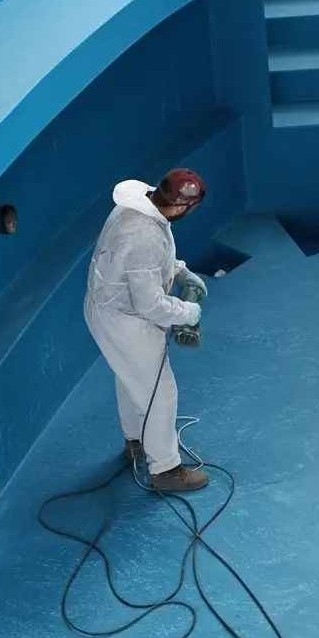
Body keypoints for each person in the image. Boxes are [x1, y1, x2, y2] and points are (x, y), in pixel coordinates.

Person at [84, 169, 210, 491]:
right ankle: (165, 470)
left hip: (105, 307)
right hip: (125, 320)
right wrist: (187, 312)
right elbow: (150, 304)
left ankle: (136, 442)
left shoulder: (138, 204)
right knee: (160, 392)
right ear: (181, 206)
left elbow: (145, 262)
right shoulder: (144, 237)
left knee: (130, 378)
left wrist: (181, 273)